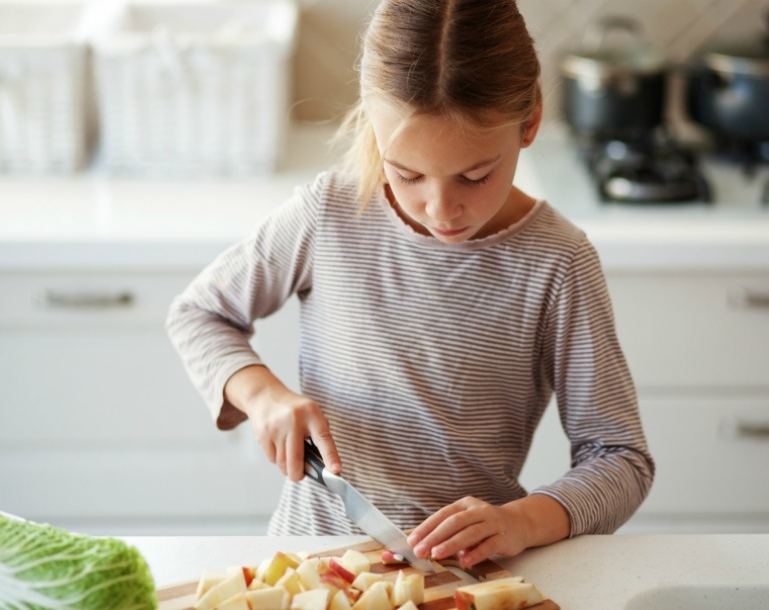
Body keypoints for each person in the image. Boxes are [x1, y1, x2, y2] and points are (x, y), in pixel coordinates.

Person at [166, 0, 654, 567]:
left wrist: (520, 522)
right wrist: (262, 394)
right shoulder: (328, 213)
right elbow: (199, 313)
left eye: (475, 175)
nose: (440, 209)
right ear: (375, 128)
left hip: (460, 581)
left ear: (530, 123)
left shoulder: (558, 262)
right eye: (407, 174)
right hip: (310, 560)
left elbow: (620, 458)